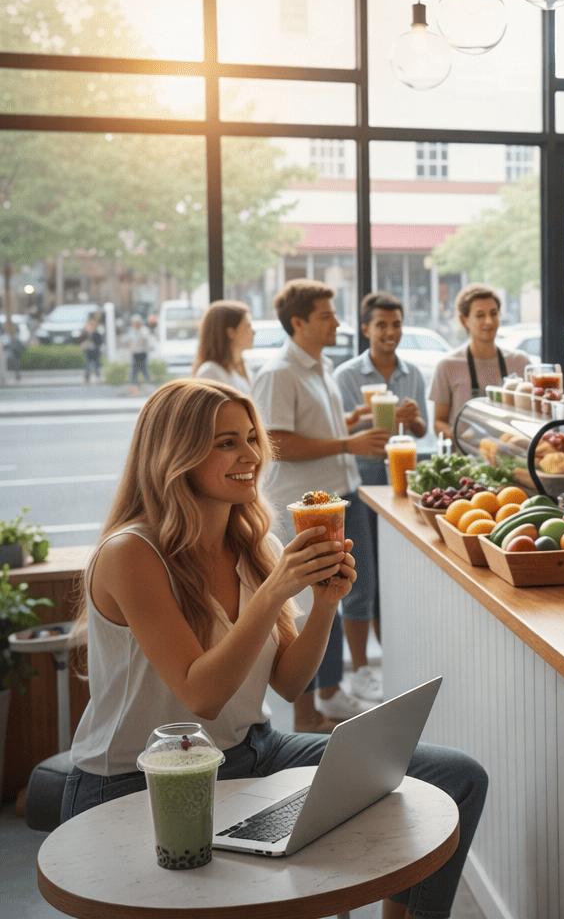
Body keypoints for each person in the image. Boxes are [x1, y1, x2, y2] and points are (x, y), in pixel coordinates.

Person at [60, 378, 486, 919]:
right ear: (175, 456)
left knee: (458, 777)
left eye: (252, 437)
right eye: (225, 443)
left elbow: (287, 681)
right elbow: (202, 695)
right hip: (133, 782)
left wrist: (327, 602)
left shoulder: (255, 544)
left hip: (250, 753)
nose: (250, 456)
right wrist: (275, 591)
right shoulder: (132, 554)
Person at [253, 280, 390, 731]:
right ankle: (308, 716)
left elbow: (313, 427)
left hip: (339, 496)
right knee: (312, 609)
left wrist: (351, 423)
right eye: (326, 315)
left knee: (338, 595)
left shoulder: (319, 366)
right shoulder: (279, 372)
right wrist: (349, 440)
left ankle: (329, 698)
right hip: (309, 506)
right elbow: (278, 442)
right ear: (298, 322)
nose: (336, 322)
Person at [334, 291, 430, 702]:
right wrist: (367, 422)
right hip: (358, 482)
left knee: (394, 580)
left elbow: (422, 432)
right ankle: (359, 671)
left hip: (399, 484)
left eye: (396, 324)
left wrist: (412, 419)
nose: (390, 332)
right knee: (362, 580)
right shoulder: (347, 376)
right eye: (381, 325)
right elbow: (339, 435)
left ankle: (393, 666)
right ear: (366, 329)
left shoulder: (413, 374)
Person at [430, 283, 531, 439]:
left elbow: (532, 416)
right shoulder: (447, 366)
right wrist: (461, 440)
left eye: (493, 313)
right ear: (464, 320)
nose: (489, 321)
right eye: (480, 315)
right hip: (466, 460)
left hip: (512, 457)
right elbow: (438, 422)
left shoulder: (520, 362)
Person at [193, 300, 256, 396]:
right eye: (248, 326)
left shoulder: (242, 368)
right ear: (231, 332)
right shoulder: (210, 372)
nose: (253, 332)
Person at [122, 315, 154, 390]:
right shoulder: (131, 331)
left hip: (143, 353)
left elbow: (147, 340)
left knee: (144, 368)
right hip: (135, 353)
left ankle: (149, 384)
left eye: (137, 323)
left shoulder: (144, 330)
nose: (136, 324)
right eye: (134, 323)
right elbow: (125, 340)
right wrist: (129, 344)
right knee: (134, 369)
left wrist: (142, 340)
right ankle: (133, 385)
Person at [80, 314, 104, 385]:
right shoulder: (85, 334)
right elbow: (81, 341)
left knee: (96, 366)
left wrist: (93, 344)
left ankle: (98, 377)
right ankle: (87, 379)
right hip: (88, 352)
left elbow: (99, 342)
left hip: (95, 352)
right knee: (87, 366)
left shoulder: (97, 334)